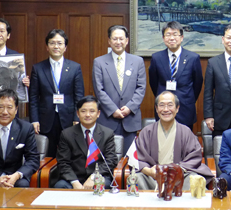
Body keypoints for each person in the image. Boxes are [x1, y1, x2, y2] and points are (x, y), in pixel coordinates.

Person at [135, 91, 214, 190]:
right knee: (137, 178)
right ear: (156, 108)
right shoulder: (146, 132)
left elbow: (194, 157)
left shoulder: (185, 131)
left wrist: (175, 170)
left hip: (179, 178)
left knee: (195, 180)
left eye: (170, 105)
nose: (166, 109)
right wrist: (149, 171)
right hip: (153, 178)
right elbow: (137, 158)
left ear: (177, 108)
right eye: (162, 105)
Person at [29, 29, 85, 157]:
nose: (56, 46)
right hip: (46, 118)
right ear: (47, 47)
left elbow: (79, 96)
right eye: (52, 43)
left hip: (69, 118)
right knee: (48, 154)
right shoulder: (38, 68)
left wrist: (77, 118)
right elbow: (33, 97)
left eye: (60, 43)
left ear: (65, 47)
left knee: (70, 153)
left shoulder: (75, 68)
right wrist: (34, 120)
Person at [93, 25, 146, 155]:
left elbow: (141, 88)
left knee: (129, 162)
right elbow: (99, 90)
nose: (118, 42)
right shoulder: (99, 62)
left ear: (127, 40)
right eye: (115, 39)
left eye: (121, 39)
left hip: (130, 119)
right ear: (109, 41)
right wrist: (113, 110)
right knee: (108, 159)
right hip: (108, 119)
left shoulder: (138, 61)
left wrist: (129, 108)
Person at [148, 21, 203, 130]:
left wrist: (187, 98)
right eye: (168, 35)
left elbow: (198, 84)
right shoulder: (156, 58)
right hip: (164, 110)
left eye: (175, 34)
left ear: (181, 37)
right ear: (163, 38)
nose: (171, 38)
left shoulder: (193, 58)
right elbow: (154, 83)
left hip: (185, 108)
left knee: (184, 144)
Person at [54, 95, 117, 189]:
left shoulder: (107, 133)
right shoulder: (67, 134)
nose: (87, 115)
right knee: (60, 186)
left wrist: (93, 177)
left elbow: (110, 160)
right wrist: (75, 182)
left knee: (103, 185)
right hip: (74, 178)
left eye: (92, 111)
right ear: (78, 113)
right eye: (83, 111)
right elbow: (63, 162)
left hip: (98, 176)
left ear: (98, 113)